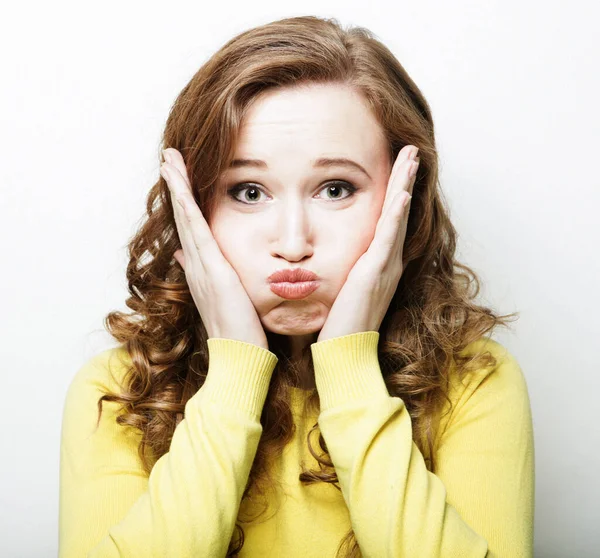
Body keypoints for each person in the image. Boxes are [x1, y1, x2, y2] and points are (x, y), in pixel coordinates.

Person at [58, 15, 535, 558]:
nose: (292, 242)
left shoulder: (475, 382)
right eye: (248, 191)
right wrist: (234, 370)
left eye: (335, 188)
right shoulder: (118, 390)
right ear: (191, 205)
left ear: (407, 200)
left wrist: (349, 369)